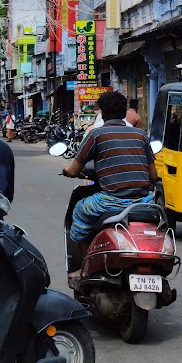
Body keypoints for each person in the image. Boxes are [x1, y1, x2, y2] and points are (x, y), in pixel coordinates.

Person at [61, 91, 156, 283]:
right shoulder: (141, 135)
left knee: (78, 212)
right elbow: (153, 175)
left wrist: (68, 171)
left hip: (111, 200)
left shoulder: (96, 134)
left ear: (102, 113)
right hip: (144, 200)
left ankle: (84, 268)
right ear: (124, 113)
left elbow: (74, 169)